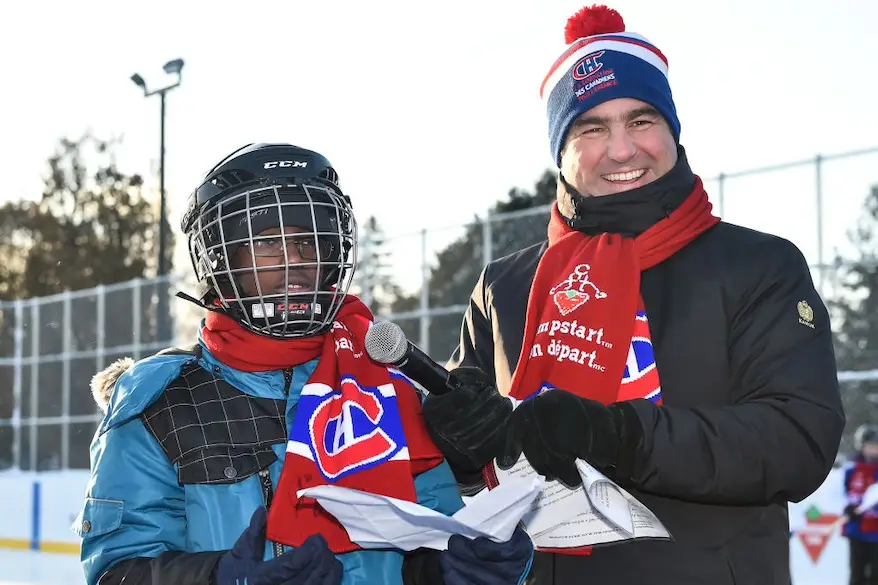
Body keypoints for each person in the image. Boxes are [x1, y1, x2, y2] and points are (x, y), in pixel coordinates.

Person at [420, 6, 845, 585]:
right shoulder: (505, 285)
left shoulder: (758, 265)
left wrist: (619, 435)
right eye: (591, 129)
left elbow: (797, 440)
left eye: (641, 120)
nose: (622, 150)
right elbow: (460, 478)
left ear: (672, 130)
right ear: (561, 152)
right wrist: (460, 451)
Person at [75, 143, 534, 585]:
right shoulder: (162, 404)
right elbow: (118, 570)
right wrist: (221, 577)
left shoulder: (387, 389)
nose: (295, 261)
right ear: (219, 258)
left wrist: (455, 571)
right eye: (267, 243)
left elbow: (428, 542)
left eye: (309, 243)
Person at [843, 424, 878, 585]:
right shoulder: (851, 470)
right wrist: (848, 508)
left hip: (876, 532)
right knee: (857, 575)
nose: (874, 450)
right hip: (857, 530)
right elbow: (842, 496)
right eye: (870, 446)